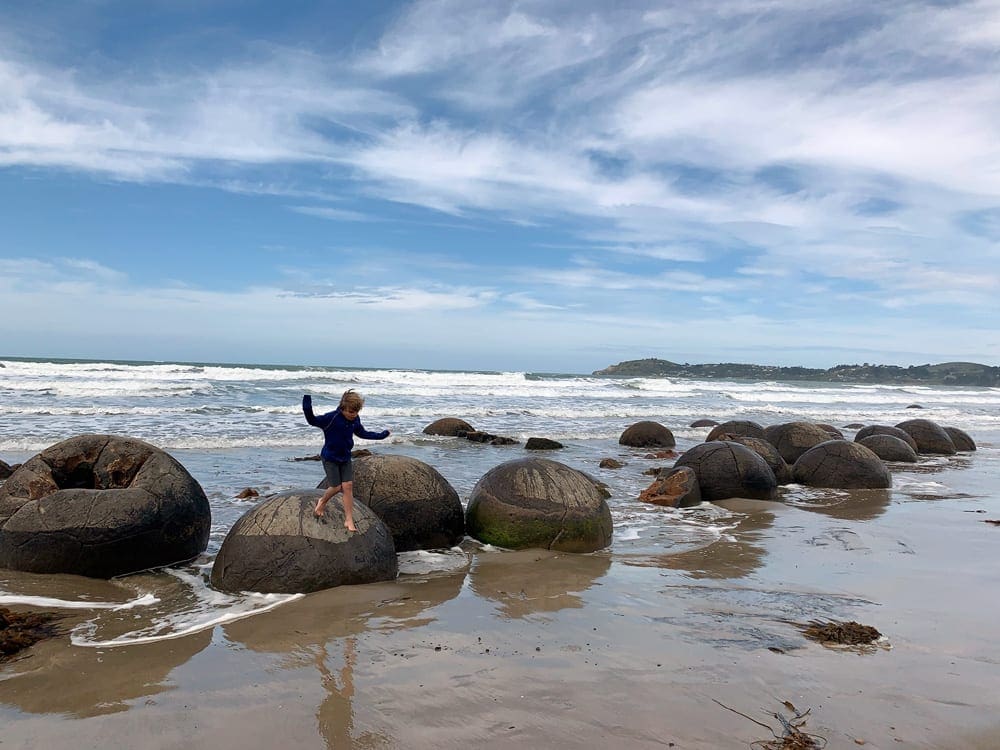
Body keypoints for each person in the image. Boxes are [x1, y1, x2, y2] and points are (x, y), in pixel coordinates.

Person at [302, 389, 390, 531]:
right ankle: (322, 501)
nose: (353, 415)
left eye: (356, 412)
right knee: (336, 487)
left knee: (348, 487)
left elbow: (362, 433)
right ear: (343, 408)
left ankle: (349, 520)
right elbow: (312, 420)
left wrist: (381, 435)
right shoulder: (331, 418)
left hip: (345, 457)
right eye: (350, 412)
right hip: (330, 457)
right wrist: (307, 402)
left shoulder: (355, 419)